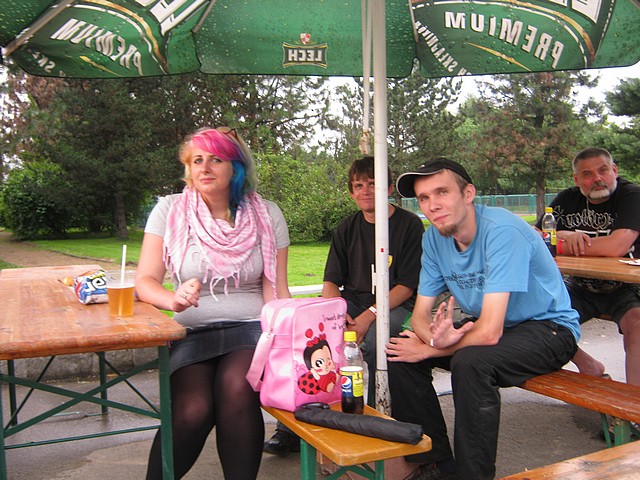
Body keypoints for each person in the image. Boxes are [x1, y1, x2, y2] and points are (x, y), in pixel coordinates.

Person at [386, 158, 580, 480]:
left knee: (471, 363)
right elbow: (419, 314)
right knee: (400, 351)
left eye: (442, 192)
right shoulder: (433, 239)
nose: (433, 205)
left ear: (468, 194)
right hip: (495, 327)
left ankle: (472, 475)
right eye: (424, 198)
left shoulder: (502, 231)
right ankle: (434, 463)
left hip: (549, 330)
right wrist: (432, 338)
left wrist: (433, 349)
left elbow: (489, 333)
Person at [136, 127, 291, 480]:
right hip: (191, 330)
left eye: (216, 159)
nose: (204, 168)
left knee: (236, 388)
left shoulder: (267, 214)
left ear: (236, 167)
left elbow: (276, 290)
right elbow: (145, 281)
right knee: (194, 408)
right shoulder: (169, 210)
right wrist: (173, 300)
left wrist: (286, 341)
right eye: (197, 160)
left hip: (250, 329)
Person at [263, 155, 424, 455]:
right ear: (351, 192)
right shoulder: (346, 228)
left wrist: (368, 317)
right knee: (311, 339)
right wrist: (329, 317)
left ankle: (373, 425)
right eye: (358, 185)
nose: (365, 191)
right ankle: (294, 428)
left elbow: (407, 285)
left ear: (389, 188)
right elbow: (331, 282)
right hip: (351, 303)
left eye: (373, 184)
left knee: (377, 342)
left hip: (396, 305)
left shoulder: (409, 225)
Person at [536, 147, 640, 386]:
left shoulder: (632, 196)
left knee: (637, 325)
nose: (597, 179)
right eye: (587, 174)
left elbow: (616, 246)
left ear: (614, 170)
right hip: (579, 285)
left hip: (628, 287)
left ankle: (633, 402)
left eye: (603, 170)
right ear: (576, 179)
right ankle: (588, 365)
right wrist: (563, 233)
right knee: (537, 314)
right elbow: (534, 235)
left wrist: (558, 243)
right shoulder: (567, 199)